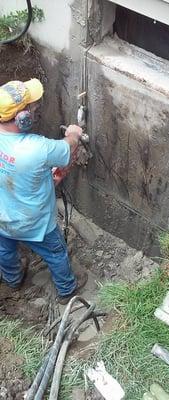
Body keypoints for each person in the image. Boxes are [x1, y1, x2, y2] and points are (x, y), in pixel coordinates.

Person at [0, 78, 87, 304]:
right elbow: (67, 148)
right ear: (22, 118)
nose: (35, 107)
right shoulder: (38, 147)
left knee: (4, 250)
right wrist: (74, 133)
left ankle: (13, 278)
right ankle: (67, 291)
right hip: (35, 224)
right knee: (56, 254)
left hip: (2, 219)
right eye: (31, 106)